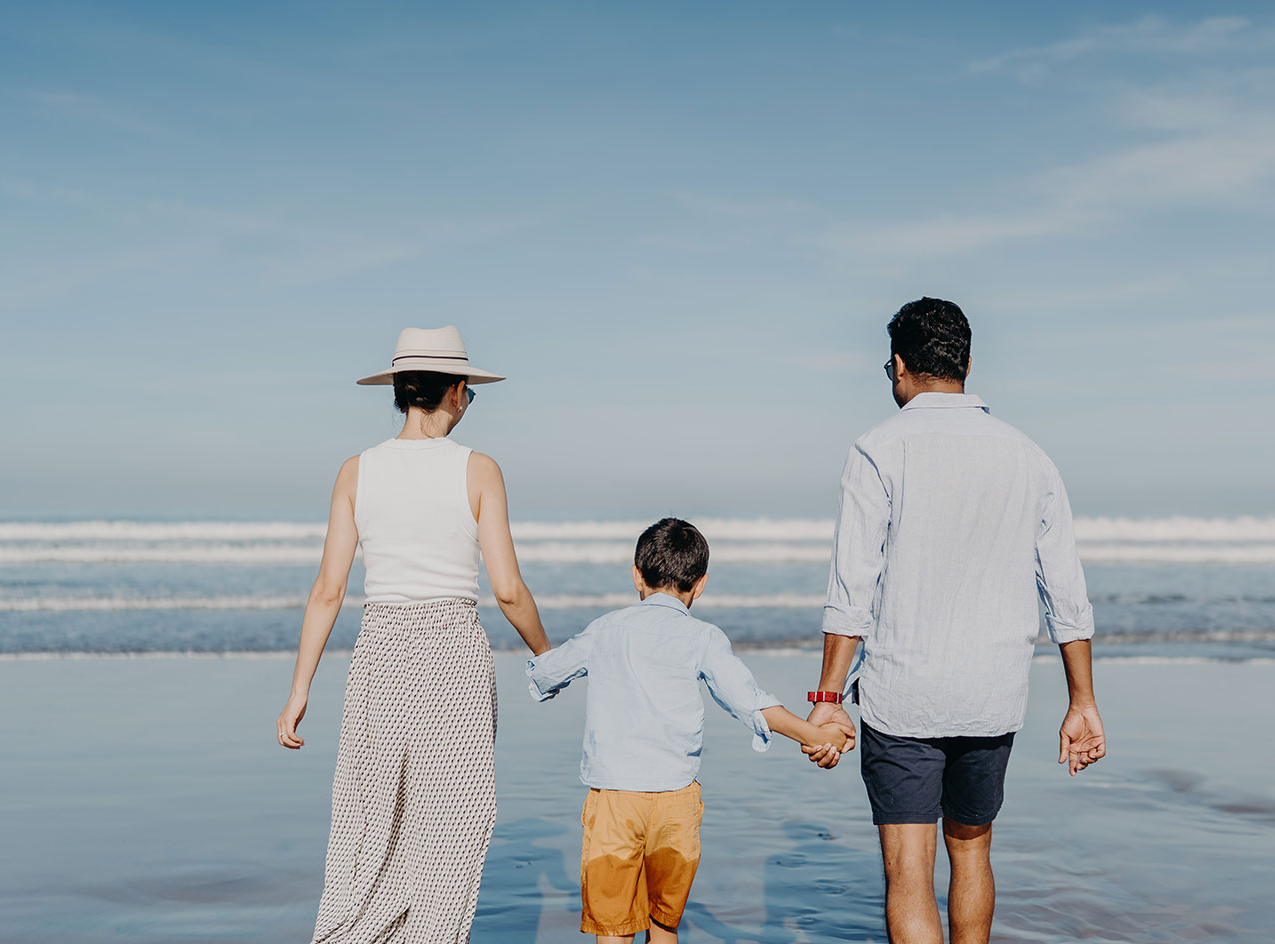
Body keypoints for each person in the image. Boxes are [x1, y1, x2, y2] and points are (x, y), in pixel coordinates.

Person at [803, 298, 1106, 944]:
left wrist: (828, 701)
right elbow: (1066, 592)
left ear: (900, 366)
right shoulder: (1030, 456)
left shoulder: (878, 450)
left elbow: (851, 589)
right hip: (992, 696)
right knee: (972, 854)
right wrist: (1082, 700)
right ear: (967, 364)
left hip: (903, 696)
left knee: (909, 874)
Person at [274, 325, 552, 944]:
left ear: (401, 392)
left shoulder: (356, 471)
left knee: (372, 819)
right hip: (452, 653)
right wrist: (546, 655)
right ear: (454, 391)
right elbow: (508, 590)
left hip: (380, 652)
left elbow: (327, 591)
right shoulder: (479, 470)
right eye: (470, 391)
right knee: (450, 823)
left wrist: (299, 690)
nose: (469, 401)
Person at [527, 518, 850, 944]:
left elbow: (547, 674)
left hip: (615, 800)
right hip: (675, 800)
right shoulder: (703, 637)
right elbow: (748, 700)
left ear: (636, 576)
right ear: (700, 585)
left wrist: (541, 659)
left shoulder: (606, 629)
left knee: (613, 929)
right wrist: (813, 735)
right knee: (664, 925)